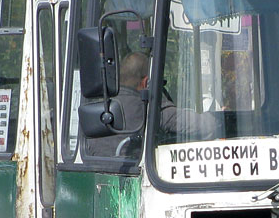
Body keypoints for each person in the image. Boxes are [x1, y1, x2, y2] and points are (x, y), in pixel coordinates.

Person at [86, 51, 217, 157]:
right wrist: (223, 118)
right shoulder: (149, 110)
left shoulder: (98, 108)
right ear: (146, 83)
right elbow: (206, 126)